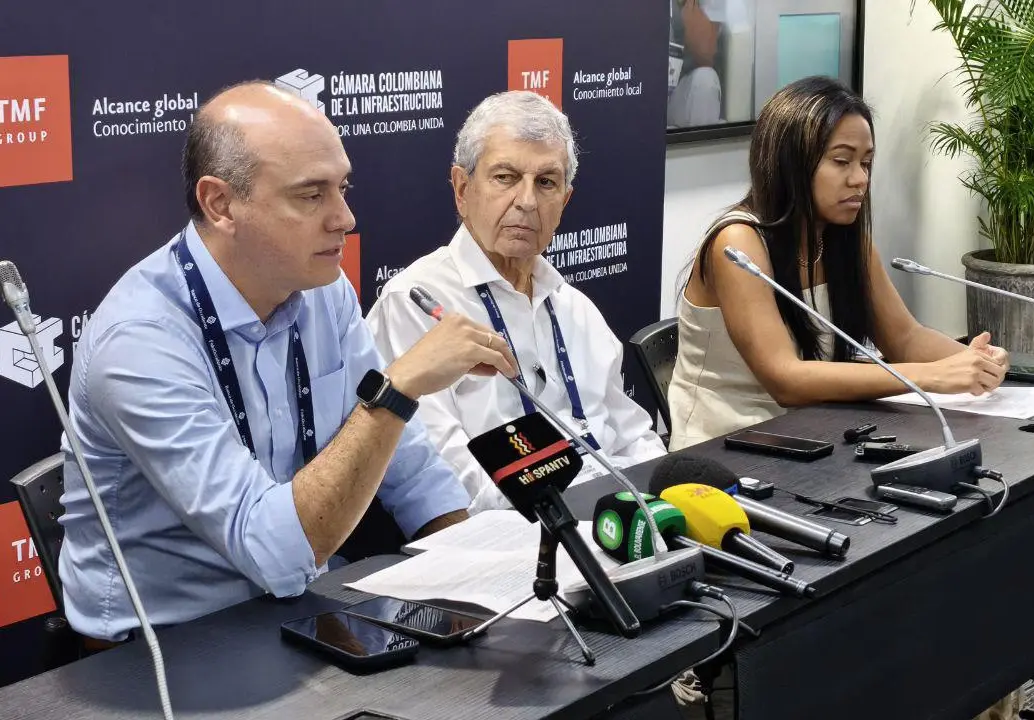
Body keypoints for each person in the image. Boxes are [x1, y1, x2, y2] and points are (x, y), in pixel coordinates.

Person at [57, 81, 518, 645]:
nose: (344, 218)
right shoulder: (140, 341)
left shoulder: (322, 286)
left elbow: (411, 469)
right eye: (310, 195)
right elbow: (270, 551)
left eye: (343, 188)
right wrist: (396, 390)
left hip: (304, 605)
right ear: (220, 204)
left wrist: (489, 583)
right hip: (165, 647)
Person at [666, 75, 1010, 453]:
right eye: (842, 161)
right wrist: (930, 376)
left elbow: (905, 338)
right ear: (790, 163)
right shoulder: (738, 243)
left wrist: (974, 361)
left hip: (820, 437)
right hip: (727, 449)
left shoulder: (845, 240)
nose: (860, 179)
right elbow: (786, 380)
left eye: (866, 163)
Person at [367, 90, 666, 512]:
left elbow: (635, 436)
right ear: (462, 189)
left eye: (546, 182)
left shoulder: (575, 308)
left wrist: (657, 506)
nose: (526, 201)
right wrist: (566, 512)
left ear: (564, 202)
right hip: (510, 534)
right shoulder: (415, 305)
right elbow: (444, 480)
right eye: (505, 177)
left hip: (609, 520)